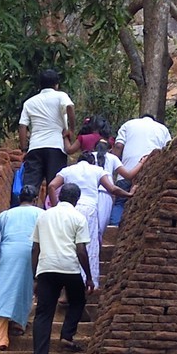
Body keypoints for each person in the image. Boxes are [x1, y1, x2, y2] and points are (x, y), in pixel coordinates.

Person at [30, 178, 92, 354]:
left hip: (46, 268)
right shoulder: (78, 218)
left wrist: (35, 277)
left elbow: (35, 249)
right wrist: (89, 277)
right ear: (76, 200)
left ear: (60, 196)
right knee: (78, 300)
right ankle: (67, 335)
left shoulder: (44, 216)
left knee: (43, 314)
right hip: (69, 267)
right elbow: (81, 251)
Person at [52, 121, 116, 286]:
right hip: (90, 208)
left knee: (67, 243)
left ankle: (64, 283)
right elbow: (112, 188)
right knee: (89, 244)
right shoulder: (98, 168)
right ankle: (89, 280)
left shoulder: (69, 168)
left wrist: (55, 205)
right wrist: (129, 193)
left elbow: (52, 185)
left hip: (69, 208)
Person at [0, 194, 40, 349]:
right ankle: (19, 323)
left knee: (2, 292)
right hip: (31, 254)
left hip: (7, 254)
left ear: (20, 199)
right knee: (26, 289)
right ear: (35, 199)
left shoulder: (6, 214)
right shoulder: (41, 214)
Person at [17, 69, 76, 194]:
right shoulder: (61, 96)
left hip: (35, 147)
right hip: (56, 147)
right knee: (54, 188)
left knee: (30, 187)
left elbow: (22, 126)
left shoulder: (29, 102)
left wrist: (24, 149)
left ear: (40, 84)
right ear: (56, 84)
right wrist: (71, 130)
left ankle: (26, 204)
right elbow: (70, 107)